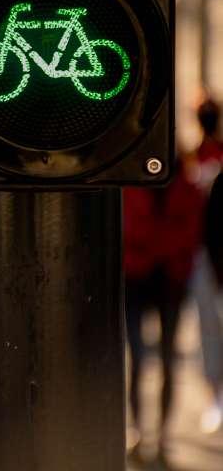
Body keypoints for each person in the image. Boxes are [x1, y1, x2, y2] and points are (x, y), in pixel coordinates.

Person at [123, 158, 204, 466]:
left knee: (167, 360)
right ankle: (138, 430)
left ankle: (162, 433)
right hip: (139, 279)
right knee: (138, 359)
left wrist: (157, 249)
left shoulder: (187, 186)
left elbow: (190, 233)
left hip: (169, 281)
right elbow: (130, 227)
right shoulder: (131, 182)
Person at [193, 98, 223, 432]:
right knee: (209, 329)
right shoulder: (193, 157)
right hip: (202, 254)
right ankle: (216, 396)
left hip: (209, 254)